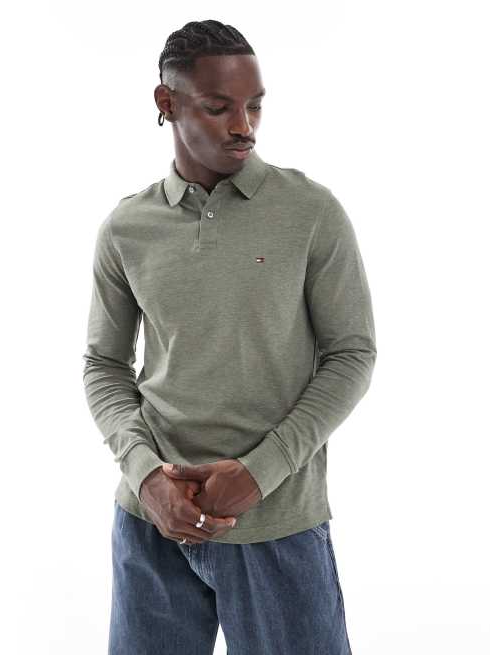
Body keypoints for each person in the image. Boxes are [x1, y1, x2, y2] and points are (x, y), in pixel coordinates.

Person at [82, 18, 377, 655]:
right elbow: (104, 364)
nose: (244, 125)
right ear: (167, 103)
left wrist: (260, 472)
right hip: (151, 522)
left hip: (277, 522)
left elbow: (352, 354)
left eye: (255, 105)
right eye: (219, 107)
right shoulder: (126, 227)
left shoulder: (311, 212)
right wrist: (146, 476)